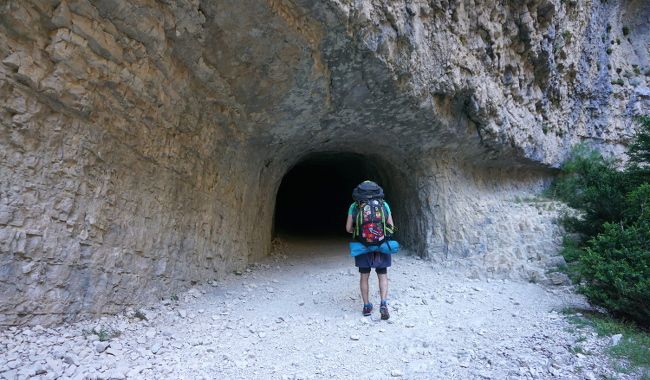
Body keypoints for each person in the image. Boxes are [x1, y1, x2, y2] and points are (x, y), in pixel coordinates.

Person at [345, 181, 396, 320]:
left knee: (364, 276)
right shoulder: (383, 205)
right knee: (382, 274)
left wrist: (360, 231)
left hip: (362, 245)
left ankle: (367, 306)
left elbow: (348, 228)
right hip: (381, 245)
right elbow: (391, 225)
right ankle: (383, 304)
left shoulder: (354, 206)